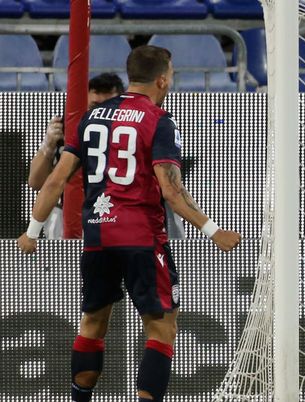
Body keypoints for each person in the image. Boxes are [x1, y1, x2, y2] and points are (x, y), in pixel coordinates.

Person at [17, 45, 241, 402]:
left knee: (92, 323)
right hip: (142, 238)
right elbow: (171, 189)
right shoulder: (159, 119)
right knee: (161, 328)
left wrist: (32, 232)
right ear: (163, 79)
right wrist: (213, 230)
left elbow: (56, 179)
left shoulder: (90, 119)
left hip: (98, 236)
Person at [28, 73, 126, 239]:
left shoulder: (130, 132)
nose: (100, 115)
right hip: (67, 214)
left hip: (116, 213)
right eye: (95, 106)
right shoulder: (68, 129)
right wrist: (48, 146)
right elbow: (36, 182)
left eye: (108, 108)